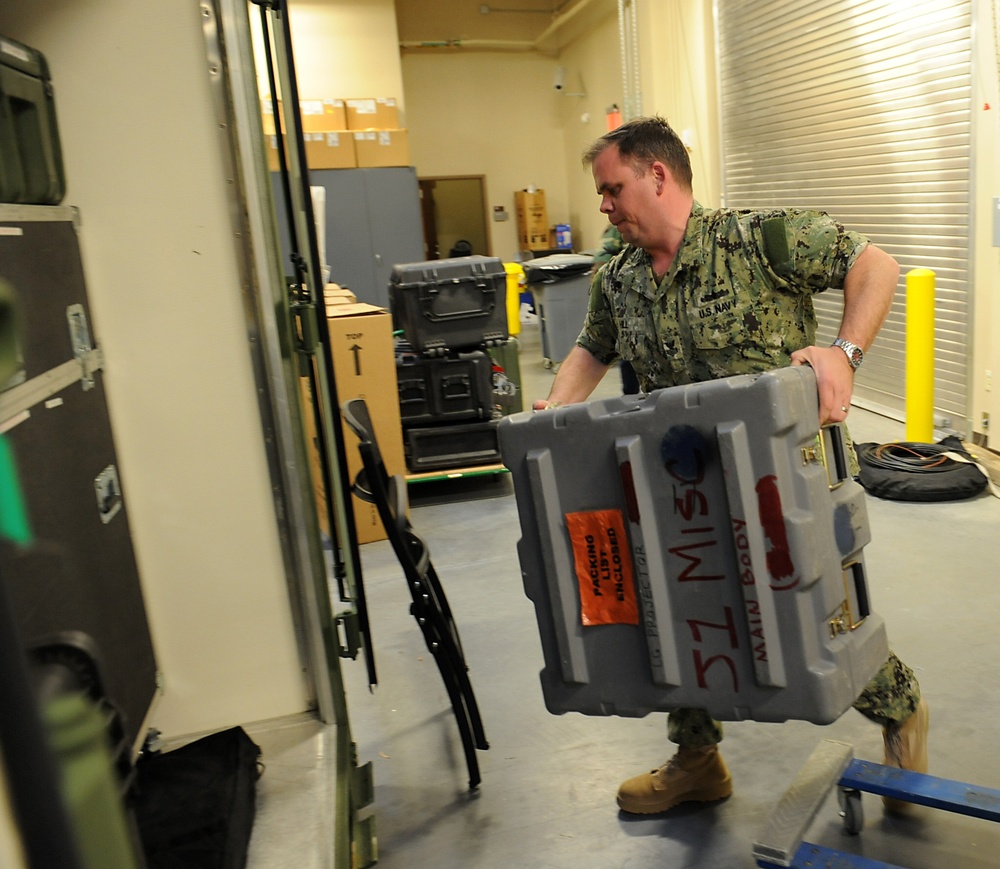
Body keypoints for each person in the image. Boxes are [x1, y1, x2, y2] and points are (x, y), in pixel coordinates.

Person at [533, 115, 929, 817]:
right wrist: (550, 420)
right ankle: (697, 760)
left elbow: (877, 265)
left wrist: (844, 353)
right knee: (677, 608)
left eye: (611, 188)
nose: (603, 205)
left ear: (658, 174)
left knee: (813, 619)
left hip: (781, 485)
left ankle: (902, 713)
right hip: (674, 486)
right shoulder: (617, 279)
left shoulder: (761, 241)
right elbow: (592, 350)